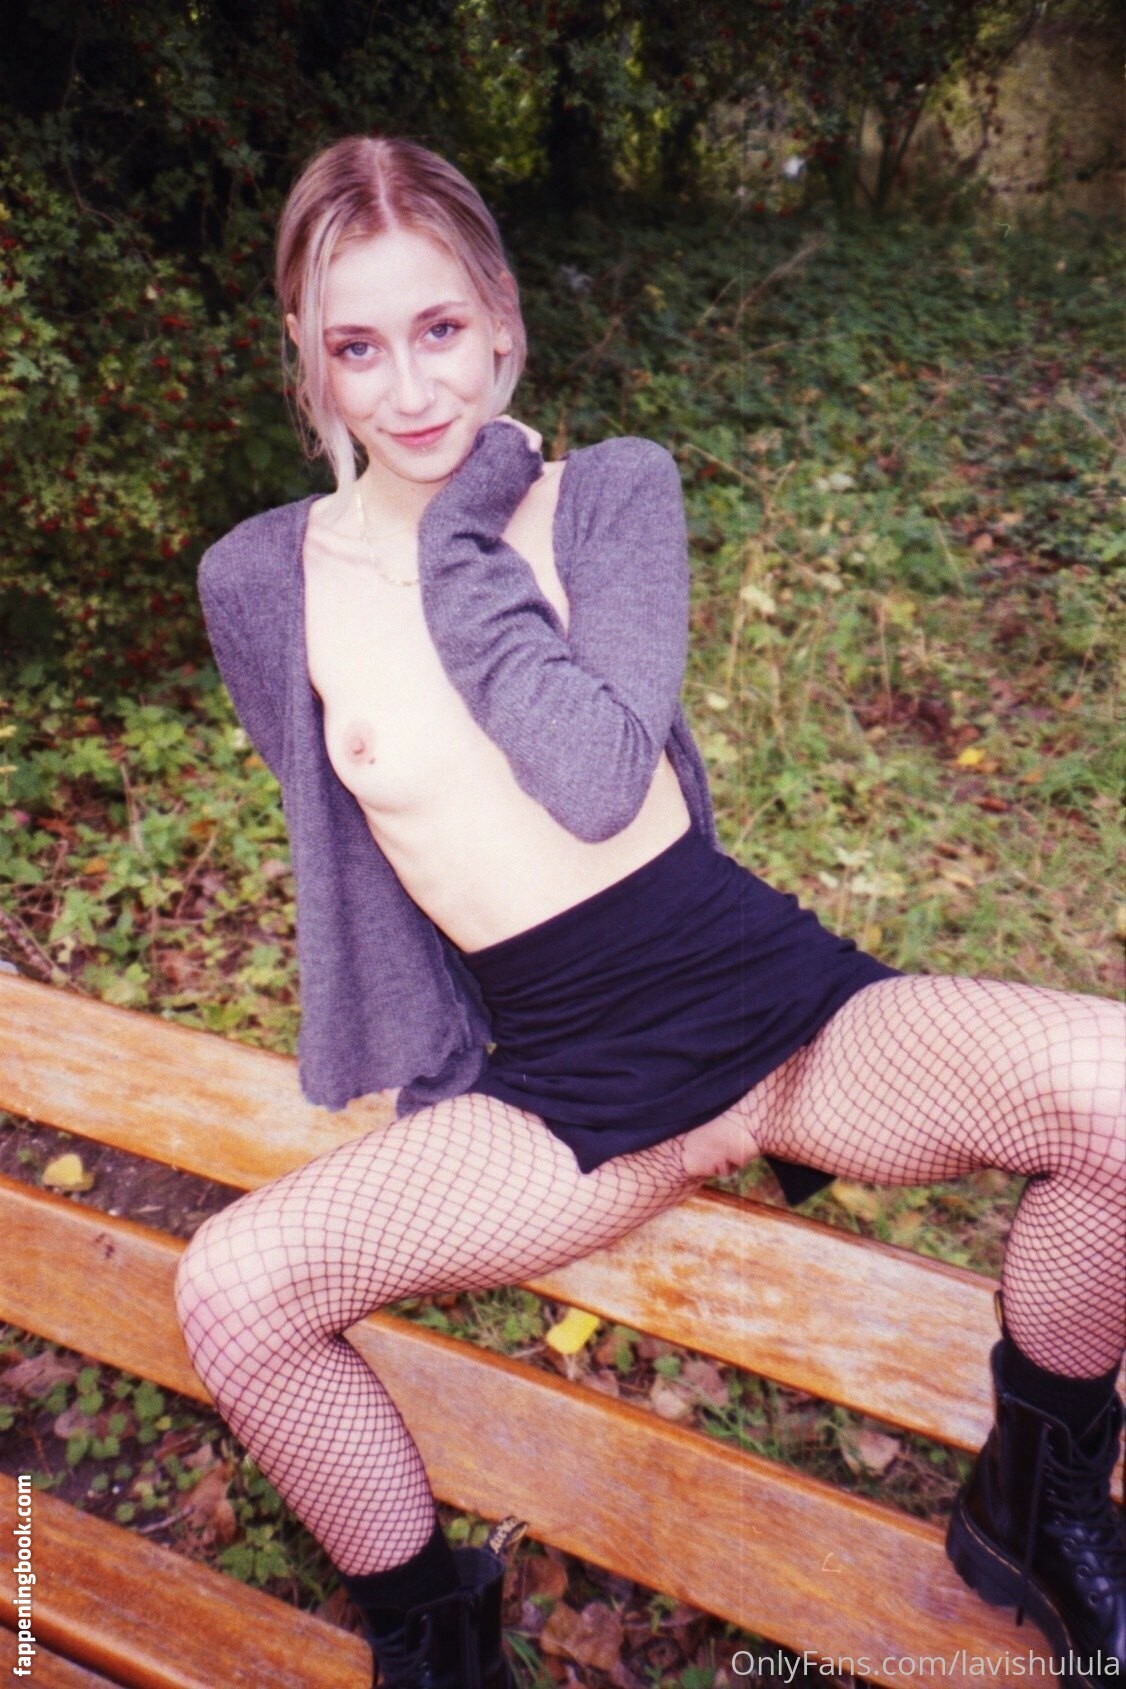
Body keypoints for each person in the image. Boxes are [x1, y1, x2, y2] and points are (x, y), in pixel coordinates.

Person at [173, 134, 1126, 1689]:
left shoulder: (607, 492)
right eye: (358, 346)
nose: (409, 388)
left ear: (500, 317)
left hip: (777, 1009)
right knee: (232, 1290)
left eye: (438, 328)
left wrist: (457, 539)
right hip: (562, 1085)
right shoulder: (261, 581)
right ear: (306, 357)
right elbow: (367, 846)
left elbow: (596, 777)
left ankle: (1034, 1500)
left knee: (1114, 1094)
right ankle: (438, 1640)